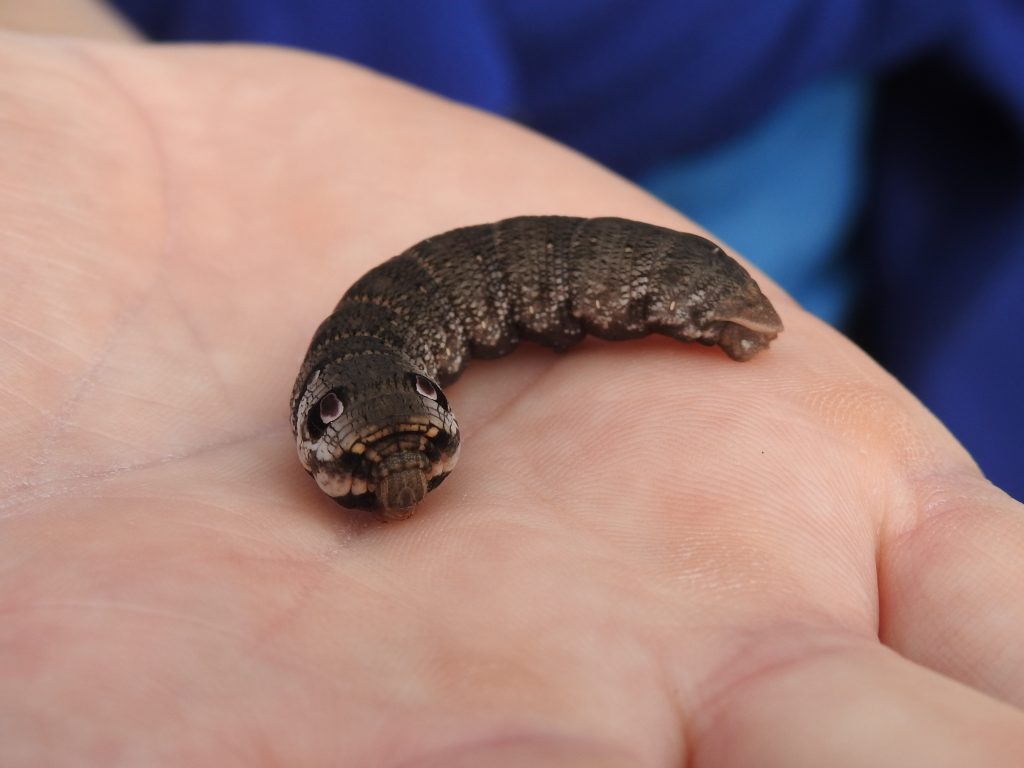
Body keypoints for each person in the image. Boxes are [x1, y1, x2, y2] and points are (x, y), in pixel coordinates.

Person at [1, 4, 1022, 765]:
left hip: (798, 78)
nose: (398, 490)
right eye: (384, 460)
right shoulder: (377, 352)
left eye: (406, 457)